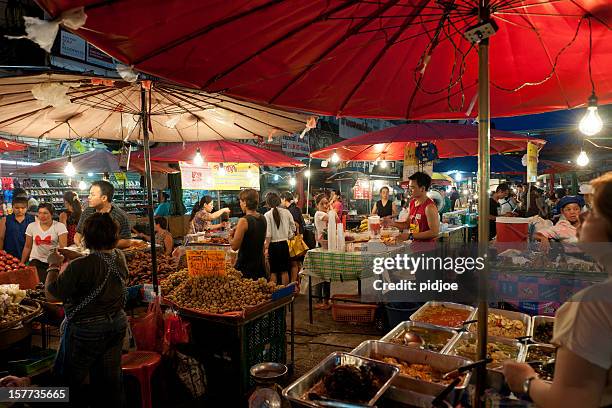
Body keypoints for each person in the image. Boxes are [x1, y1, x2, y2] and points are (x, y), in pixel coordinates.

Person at [503, 173, 612, 408]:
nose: (581, 214)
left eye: (592, 210)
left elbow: (571, 400)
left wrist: (525, 381)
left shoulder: (594, 303)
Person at [45, 213, 128, 408]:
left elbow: (51, 295)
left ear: (86, 238)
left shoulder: (79, 267)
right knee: (110, 383)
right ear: (114, 237)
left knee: (64, 382)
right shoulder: (119, 257)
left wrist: (53, 265)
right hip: (117, 324)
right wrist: (79, 257)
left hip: (86, 330)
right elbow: (100, 261)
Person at [74, 181, 131, 249]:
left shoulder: (120, 215)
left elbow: (127, 241)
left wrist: (103, 245)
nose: (89, 197)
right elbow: (78, 234)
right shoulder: (87, 212)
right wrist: (80, 246)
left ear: (104, 198)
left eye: (93, 195)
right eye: (89, 194)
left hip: (111, 255)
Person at [21, 203, 67, 282]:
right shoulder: (31, 226)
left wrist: (61, 263)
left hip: (52, 262)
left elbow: (63, 248)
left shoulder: (60, 227)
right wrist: (21, 263)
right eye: (40, 213)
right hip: (36, 260)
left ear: (52, 214)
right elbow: (27, 246)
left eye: (45, 213)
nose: (42, 216)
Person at [230, 189, 267, 280]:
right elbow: (261, 242)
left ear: (245, 203)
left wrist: (230, 236)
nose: (240, 204)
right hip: (260, 265)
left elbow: (234, 246)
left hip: (246, 266)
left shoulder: (244, 220)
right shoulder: (263, 218)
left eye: (241, 202)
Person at [394, 172, 440, 242]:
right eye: (409, 187)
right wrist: (392, 223)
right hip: (414, 246)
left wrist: (410, 236)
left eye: (412, 188)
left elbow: (434, 232)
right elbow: (407, 224)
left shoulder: (429, 207)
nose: (409, 190)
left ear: (422, 189)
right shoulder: (412, 203)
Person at [264, 193, 295, 285]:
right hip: (284, 245)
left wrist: (266, 248)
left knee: (273, 272)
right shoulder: (287, 212)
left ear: (268, 203)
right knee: (284, 271)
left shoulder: (267, 215)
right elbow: (293, 227)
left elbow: (268, 234)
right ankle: (286, 295)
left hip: (273, 246)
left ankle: (275, 295)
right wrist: (289, 234)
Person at [281, 192, 306, 283]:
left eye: (281, 200)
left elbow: (296, 224)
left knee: (294, 263)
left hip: (294, 239)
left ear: (284, 199)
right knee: (297, 262)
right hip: (296, 238)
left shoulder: (291, 210)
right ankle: (298, 281)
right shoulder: (295, 208)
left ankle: (293, 282)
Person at [313, 194, 331, 309]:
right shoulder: (319, 213)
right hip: (322, 246)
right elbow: (335, 218)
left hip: (325, 244)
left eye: (326, 203)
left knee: (325, 275)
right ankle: (321, 301)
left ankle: (323, 300)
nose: (325, 205)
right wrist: (331, 206)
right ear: (317, 205)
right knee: (322, 275)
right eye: (322, 203)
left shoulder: (324, 213)